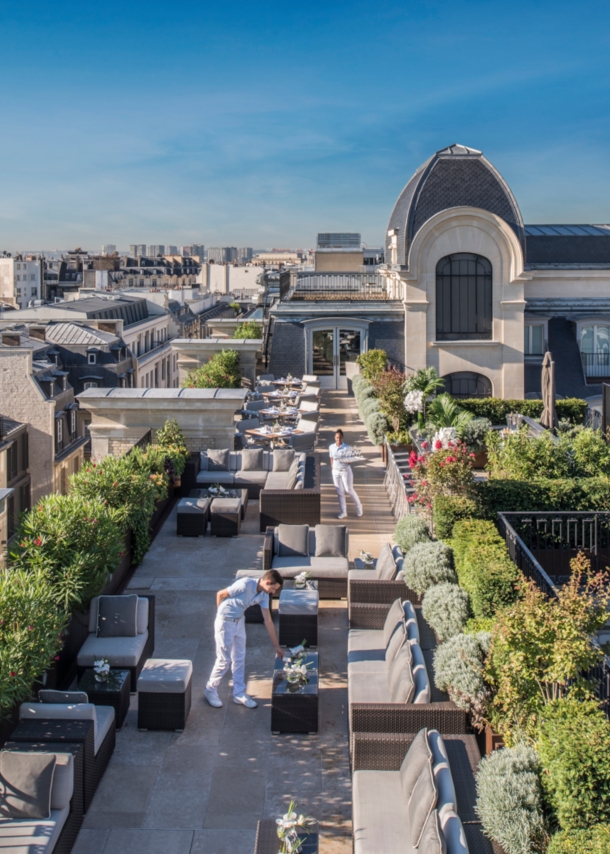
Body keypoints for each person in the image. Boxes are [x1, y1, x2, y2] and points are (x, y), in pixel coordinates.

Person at [204, 570, 284, 709]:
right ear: (267, 582)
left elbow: (268, 621)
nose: (273, 592)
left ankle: (239, 693)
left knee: (239, 658)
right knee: (224, 660)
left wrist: (276, 646)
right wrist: (221, 616)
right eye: (273, 588)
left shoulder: (264, 595)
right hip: (225, 622)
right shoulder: (245, 584)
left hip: (240, 621)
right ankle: (210, 689)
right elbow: (220, 594)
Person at [329, 428, 363, 519]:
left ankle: (359, 507)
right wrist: (332, 467)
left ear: (342, 438)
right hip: (335, 471)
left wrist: (347, 460)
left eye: (340, 438)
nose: (338, 439)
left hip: (345, 471)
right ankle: (343, 512)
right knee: (340, 492)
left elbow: (350, 460)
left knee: (349, 490)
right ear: (334, 438)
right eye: (337, 437)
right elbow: (331, 457)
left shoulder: (347, 447)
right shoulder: (331, 447)